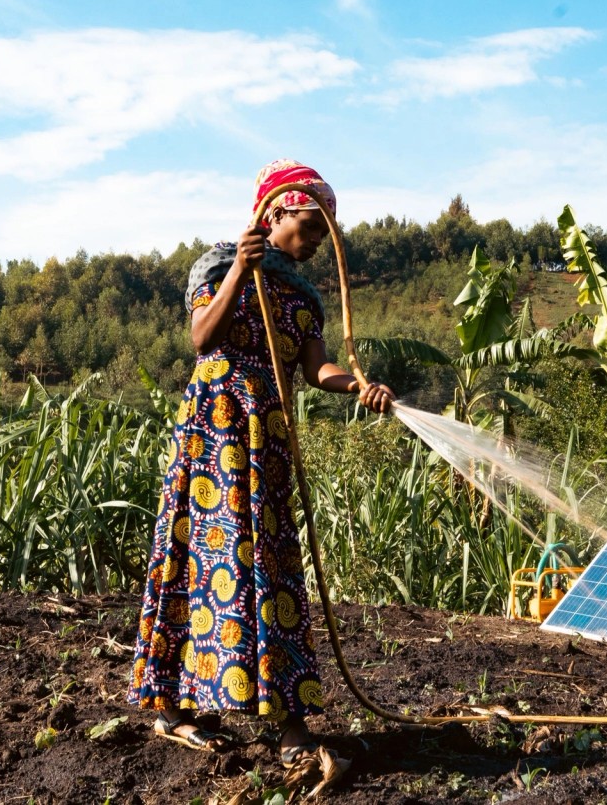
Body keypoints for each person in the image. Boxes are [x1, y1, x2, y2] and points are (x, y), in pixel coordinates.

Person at [127, 160, 394, 764]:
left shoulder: (304, 294)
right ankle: (172, 708)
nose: (317, 240)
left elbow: (314, 368)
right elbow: (202, 338)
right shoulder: (220, 263)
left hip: (266, 434)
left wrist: (356, 387)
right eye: (309, 224)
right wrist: (241, 274)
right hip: (216, 426)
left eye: (324, 230)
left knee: (268, 559)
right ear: (275, 214)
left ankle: (286, 716)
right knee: (203, 549)